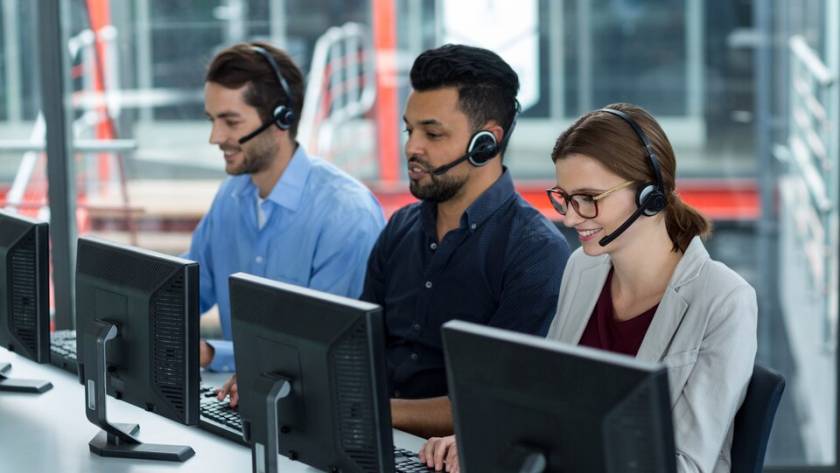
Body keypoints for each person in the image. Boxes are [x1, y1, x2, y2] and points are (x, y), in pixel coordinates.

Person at [420, 103, 757, 473]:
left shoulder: (723, 300)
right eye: (564, 198)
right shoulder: (584, 268)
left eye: (589, 199)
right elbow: (548, 408)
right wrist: (485, 442)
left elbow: (687, 464)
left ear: (651, 195)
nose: (569, 217)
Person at [362, 44, 571, 438]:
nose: (411, 147)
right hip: (370, 438)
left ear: (485, 143)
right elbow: (355, 352)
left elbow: (495, 401)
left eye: (432, 133)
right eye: (410, 130)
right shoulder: (400, 229)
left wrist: (364, 408)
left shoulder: (535, 253)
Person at [190, 42, 385, 373]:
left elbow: (322, 349)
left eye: (230, 122)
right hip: (240, 394)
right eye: (212, 120)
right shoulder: (230, 197)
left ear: (282, 119)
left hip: (315, 406)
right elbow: (186, 292)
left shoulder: (346, 214)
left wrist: (213, 354)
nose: (215, 137)